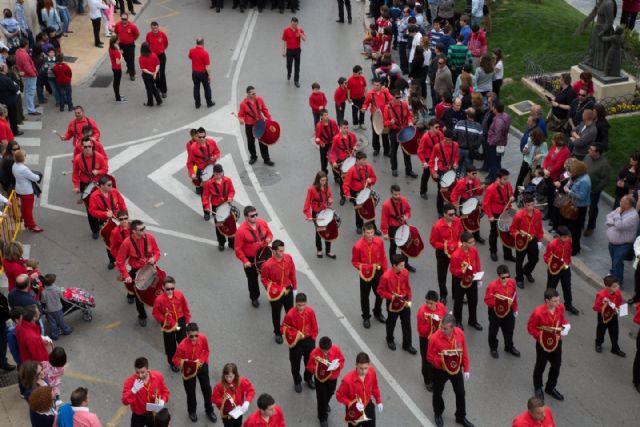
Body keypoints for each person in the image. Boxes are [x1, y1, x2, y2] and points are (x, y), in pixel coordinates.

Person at [427, 314, 473, 427]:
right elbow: (429, 356)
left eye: (445, 328)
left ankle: (461, 416)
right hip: (440, 370)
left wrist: (466, 368)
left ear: (453, 328)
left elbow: (464, 351)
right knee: (437, 393)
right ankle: (438, 413)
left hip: (456, 368)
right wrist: (441, 361)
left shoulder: (460, 334)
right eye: (441, 327)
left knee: (461, 393)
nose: (441, 329)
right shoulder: (434, 338)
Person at [116, 220, 161, 326]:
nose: (145, 231)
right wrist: (126, 275)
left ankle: (159, 313)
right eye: (141, 229)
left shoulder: (150, 237)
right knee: (139, 297)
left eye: (144, 228)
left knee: (157, 291)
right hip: (137, 272)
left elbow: (157, 251)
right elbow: (120, 261)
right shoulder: (126, 243)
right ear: (134, 232)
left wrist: (154, 258)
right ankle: (142, 315)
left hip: (150, 268)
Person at [527, 289, 570, 402]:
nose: (558, 303)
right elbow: (530, 328)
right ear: (547, 301)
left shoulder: (560, 308)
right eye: (555, 301)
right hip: (542, 344)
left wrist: (565, 326)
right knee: (540, 365)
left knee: (557, 365)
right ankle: (538, 387)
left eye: (558, 300)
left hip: (556, 341)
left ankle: (550, 387)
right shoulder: (538, 313)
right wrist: (541, 337)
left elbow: (561, 320)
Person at [171, 323, 216, 422]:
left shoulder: (203, 338)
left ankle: (209, 410)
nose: (194, 338)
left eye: (196, 335)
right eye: (191, 336)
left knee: (207, 390)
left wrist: (200, 361)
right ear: (187, 334)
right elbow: (175, 359)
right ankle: (192, 411)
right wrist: (187, 363)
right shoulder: (182, 346)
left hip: (201, 366)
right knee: (190, 392)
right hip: (188, 369)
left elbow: (206, 351)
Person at [377, 254, 417, 353]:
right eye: (401, 265)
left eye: (404, 265)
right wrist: (391, 297)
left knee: (407, 323)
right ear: (394, 266)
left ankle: (407, 344)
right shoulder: (386, 276)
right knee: (391, 322)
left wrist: (409, 299)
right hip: (393, 302)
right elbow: (380, 290)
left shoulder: (405, 272)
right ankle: (390, 339)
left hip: (404, 300)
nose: (404, 267)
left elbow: (407, 287)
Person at [234, 205, 273, 307]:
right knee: (252, 279)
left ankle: (272, 295)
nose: (255, 217)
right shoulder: (241, 231)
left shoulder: (262, 223)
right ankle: (254, 297)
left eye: (256, 214)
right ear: (246, 217)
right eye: (252, 216)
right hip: (250, 259)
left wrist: (269, 238)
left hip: (263, 254)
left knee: (269, 277)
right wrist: (245, 261)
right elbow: (238, 249)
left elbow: (269, 234)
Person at [351, 222, 387, 328]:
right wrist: (366, 267)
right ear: (363, 232)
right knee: (364, 297)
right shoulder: (357, 246)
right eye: (368, 233)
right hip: (365, 274)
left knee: (380, 293)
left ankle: (377, 311)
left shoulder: (379, 242)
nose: (370, 235)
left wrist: (384, 272)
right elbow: (354, 262)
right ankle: (366, 317)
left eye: (372, 232)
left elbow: (383, 257)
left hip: (378, 271)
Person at [260, 240, 296, 344]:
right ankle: (277, 332)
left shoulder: (288, 258)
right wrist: (271, 289)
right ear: (274, 251)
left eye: (283, 250)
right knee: (276, 313)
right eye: (280, 251)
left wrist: (295, 288)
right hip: (276, 293)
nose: (282, 253)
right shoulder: (267, 265)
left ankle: (288, 328)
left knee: (290, 312)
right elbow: (264, 279)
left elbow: (292, 273)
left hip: (288, 289)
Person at [281, 292, 318, 392]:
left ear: (306, 303)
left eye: (303, 305)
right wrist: (295, 334)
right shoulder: (290, 315)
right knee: (295, 362)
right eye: (299, 305)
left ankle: (308, 378)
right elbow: (283, 328)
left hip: (309, 340)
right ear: (295, 303)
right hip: (296, 342)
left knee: (310, 361)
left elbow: (314, 326)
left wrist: (313, 337)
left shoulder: (310, 312)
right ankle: (297, 381)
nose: (301, 307)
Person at [152, 276, 190, 371]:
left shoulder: (180, 295)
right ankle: (172, 362)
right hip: (168, 324)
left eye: (172, 288)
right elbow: (156, 313)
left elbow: (185, 309)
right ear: (163, 288)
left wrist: (186, 321)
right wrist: (166, 320)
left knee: (183, 341)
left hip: (180, 320)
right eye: (168, 289)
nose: (170, 291)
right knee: (170, 345)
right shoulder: (159, 300)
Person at [429, 203, 464, 304]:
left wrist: (460, 243)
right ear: (444, 214)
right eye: (450, 214)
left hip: (456, 253)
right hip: (442, 253)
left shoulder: (457, 221)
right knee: (442, 275)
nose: (453, 216)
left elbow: (461, 234)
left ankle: (456, 293)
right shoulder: (437, 226)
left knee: (456, 274)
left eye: (454, 213)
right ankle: (443, 295)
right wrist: (447, 245)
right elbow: (433, 242)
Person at [336, 352, 383, 427]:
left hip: (368, 406)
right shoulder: (347, 380)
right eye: (361, 368)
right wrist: (350, 403)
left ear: (369, 365)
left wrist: (378, 400)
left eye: (366, 368)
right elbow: (339, 396)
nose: (364, 371)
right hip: (354, 410)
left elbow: (374, 387)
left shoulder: (372, 372)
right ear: (356, 365)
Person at [306, 336, 344, 427]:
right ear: (319, 347)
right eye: (323, 351)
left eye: (327, 351)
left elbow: (342, 361)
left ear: (331, 347)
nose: (325, 353)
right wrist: (318, 368)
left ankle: (325, 404)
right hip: (320, 379)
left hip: (332, 377)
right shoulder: (314, 353)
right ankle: (322, 417)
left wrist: (337, 366)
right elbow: (309, 366)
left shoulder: (336, 349)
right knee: (321, 398)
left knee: (331, 392)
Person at [121, 357, 170, 427]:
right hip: (138, 416)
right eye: (137, 372)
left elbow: (165, 392)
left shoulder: (158, 376)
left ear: (148, 369)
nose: (140, 375)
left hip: (153, 414)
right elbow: (125, 401)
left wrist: (163, 400)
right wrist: (133, 390)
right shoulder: (130, 382)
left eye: (142, 372)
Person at [484, 264, 520, 359]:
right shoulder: (492, 286)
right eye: (503, 277)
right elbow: (487, 300)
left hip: (508, 310)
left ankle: (509, 346)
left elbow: (514, 296)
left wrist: (515, 309)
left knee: (509, 329)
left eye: (508, 276)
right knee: (493, 330)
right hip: (495, 312)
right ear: (499, 276)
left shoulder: (512, 283)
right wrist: (500, 302)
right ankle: (493, 348)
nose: (506, 279)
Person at [449, 231, 483, 331]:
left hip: (472, 279)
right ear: (464, 243)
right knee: (458, 302)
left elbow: (477, 263)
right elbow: (453, 270)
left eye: (473, 241)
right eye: (471, 242)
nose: (473, 243)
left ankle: (472, 320)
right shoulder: (456, 255)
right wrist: (462, 271)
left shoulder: (474, 250)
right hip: (460, 280)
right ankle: (458, 321)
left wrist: (479, 277)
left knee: (473, 300)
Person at [541, 226, 578, 315]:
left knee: (567, 287)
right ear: (559, 236)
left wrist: (568, 262)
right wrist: (554, 262)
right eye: (564, 237)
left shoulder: (569, 241)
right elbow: (546, 257)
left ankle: (568, 305)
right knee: (551, 288)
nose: (566, 238)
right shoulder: (552, 244)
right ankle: (548, 305)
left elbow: (569, 252)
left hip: (565, 268)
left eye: (567, 237)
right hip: (554, 269)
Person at [606, 194, 640, 289]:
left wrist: (616, 216)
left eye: (623, 202)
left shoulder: (633, 216)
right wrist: (615, 221)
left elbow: (620, 226)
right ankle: (613, 277)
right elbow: (608, 217)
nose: (620, 202)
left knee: (617, 262)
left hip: (623, 245)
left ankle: (618, 283)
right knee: (615, 261)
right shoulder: (620, 209)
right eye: (621, 201)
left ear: (629, 205)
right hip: (612, 243)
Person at [510, 194, 544, 289]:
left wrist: (539, 240)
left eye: (532, 204)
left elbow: (539, 227)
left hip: (533, 239)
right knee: (519, 260)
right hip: (522, 240)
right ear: (524, 205)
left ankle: (527, 271)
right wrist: (519, 235)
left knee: (535, 259)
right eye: (528, 205)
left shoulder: (537, 213)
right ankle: (519, 278)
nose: (531, 207)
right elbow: (512, 229)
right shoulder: (518, 216)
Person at [483, 169, 516, 262]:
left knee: (507, 232)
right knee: (494, 233)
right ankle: (493, 251)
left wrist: (512, 197)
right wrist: (490, 216)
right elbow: (486, 204)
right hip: (496, 214)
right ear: (498, 179)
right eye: (505, 179)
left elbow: (511, 194)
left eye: (507, 179)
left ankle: (508, 254)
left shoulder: (507, 184)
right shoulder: (491, 188)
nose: (507, 181)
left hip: (507, 212)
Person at [417, 291, 447, 391]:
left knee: (437, 358)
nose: (429, 305)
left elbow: (446, 319)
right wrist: (431, 324)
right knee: (426, 360)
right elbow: (420, 330)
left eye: (431, 303)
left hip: (438, 338)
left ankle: (435, 377)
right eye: (427, 302)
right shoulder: (422, 311)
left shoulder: (441, 307)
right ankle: (427, 380)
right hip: (426, 339)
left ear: (436, 302)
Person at [342, 151, 379, 233]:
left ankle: (373, 228)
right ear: (357, 160)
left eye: (365, 159)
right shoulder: (351, 170)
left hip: (367, 191)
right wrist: (347, 194)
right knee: (359, 211)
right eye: (363, 160)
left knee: (371, 210)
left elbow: (374, 177)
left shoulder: (369, 167)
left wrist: (371, 180)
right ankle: (359, 226)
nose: (365, 161)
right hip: (356, 193)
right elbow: (346, 184)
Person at [380, 185, 415, 271]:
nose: (398, 196)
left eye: (399, 194)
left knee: (406, 246)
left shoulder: (404, 200)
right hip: (393, 228)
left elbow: (408, 210)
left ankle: (405, 264)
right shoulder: (386, 205)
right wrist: (385, 232)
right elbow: (384, 219)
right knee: (393, 247)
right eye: (395, 195)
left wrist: (406, 216)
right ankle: (394, 266)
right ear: (391, 193)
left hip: (403, 225)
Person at [383, 88, 416, 177]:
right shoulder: (387, 108)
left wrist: (410, 122)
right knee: (393, 151)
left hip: (404, 130)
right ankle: (394, 169)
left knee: (406, 151)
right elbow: (385, 123)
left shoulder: (404, 104)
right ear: (392, 97)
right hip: (394, 131)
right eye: (397, 97)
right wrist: (390, 122)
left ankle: (408, 170)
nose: (399, 99)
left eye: (400, 97)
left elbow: (409, 115)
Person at [88, 174, 127, 248]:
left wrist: (125, 213)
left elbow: (122, 203)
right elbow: (92, 211)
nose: (111, 186)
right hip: (103, 216)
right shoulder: (94, 196)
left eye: (111, 184)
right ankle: (95, 231)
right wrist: (104, 214)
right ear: (102, 186)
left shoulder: (114, 191)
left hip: (115, 214)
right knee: (95, 221)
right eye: (109, 185)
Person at [237, 85, 273, 165]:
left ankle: (266, 158)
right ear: (248, 94)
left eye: (255, 93)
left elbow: (265, 110)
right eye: (253, 94)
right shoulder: (243, 104)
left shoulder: (259, 99)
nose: (255, 95)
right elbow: (240, 115)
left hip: (260, 123)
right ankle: (253, 156)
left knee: (263, 142)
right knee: (250, 142)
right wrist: (241, 120)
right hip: (249, 125)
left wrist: (270, 120)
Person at [203, 164, 236, 248]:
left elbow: (232, 191)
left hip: (227, 205)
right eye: (216, 174)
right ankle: (221, 243)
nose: (218, 176)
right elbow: (205, 196)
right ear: (213, 173)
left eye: (220, 173)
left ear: (222, 172)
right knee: (219, 226)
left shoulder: (228, 180)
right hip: (216, 207)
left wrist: (230, 197)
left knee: (231, 224)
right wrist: (206, 206)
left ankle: (232, 243)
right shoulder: (208, 183)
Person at [211, 362, 255, 427]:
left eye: (231, 377)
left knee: (238, 424)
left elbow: (250, 390)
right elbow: (214, 398)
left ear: (235, 375)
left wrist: (247, 401)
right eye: (226, 376)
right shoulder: (219, 386)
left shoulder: (241, 381)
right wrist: (225, 401)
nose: (229, 379)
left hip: (238, 411)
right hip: (227, 413)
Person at [303, 171, 336, 258]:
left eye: (325, 180)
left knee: (328, 230)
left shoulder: (326, 187)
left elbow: (329, 196)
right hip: (317, 213)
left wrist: (330, 200)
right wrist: (309, 216)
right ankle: (319, 249)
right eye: (322, 181)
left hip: (325, 211)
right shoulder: (311, 189)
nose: (323, 182)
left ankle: (328, 251)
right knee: (319, 231)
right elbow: (307, 204)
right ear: (318, 180)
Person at [591, 275, 626, 357]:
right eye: (614, 286)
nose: (617, 287)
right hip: (603, 315)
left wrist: (617, 309)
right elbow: (595, 308)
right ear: (607, 287)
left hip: (613, 315)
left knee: (615, 331)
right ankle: (598, 343)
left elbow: (619, 301)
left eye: (617, 285)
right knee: (601, 330)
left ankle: (615, 348)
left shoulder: (617, 292)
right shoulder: (601, 295)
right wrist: (604, 304)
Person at [428, 129, 459, 216]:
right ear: (443, 138)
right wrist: (433, 172)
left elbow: (456, 157)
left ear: (452, 139)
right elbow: (431, 161)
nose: (447, 141)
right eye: (446, 139)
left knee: (453, 192)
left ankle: (452, 210)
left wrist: (456, 163)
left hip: (451, 171)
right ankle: (440, 211)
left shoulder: (455, 145)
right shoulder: (437, 147)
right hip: (441, 171)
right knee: (441, 192)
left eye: (449, 140)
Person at [12, 149, 42, 232]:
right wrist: (38, 176)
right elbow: (35, 177)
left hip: (19, 189)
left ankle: (26, 222)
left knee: (24, 207)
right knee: (28, 208)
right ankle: (32, 225)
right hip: (27, 191)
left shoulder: (14, 165)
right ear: (23, 158)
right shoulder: (23, 169)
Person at [584, 144, 610, 236]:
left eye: (591, 149)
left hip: (593, 190)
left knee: (592, 209)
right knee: (582, 206)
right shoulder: (587, 157)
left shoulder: (604, 164)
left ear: (597, 152)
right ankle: (581, 222)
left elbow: (605, 180)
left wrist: (595, 190)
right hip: (584, 187)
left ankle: (591, 226)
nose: (588, 150)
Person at [186, 126, 220, 197]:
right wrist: (192, 173)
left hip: (211, 166)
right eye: (199, 137)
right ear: (196, 136)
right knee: (199, 183)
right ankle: (199, 187)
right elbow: (189, 163)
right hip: (200, 168)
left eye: (203, 137)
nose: (202, 139)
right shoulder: (192, 147)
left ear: (205, 135)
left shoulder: (212, 142)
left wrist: (215, 157)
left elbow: (217, 152)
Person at [329, 120, 357, 204]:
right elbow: (332, 152)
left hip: (351, 159)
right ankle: (343, 196)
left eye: (347, 128)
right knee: (343, 181)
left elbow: (355, 143)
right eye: (344, 128)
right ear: (340, 128)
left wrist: (355, 147)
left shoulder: (352, 135)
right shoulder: (336, 138)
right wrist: (333, 161)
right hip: (342, 161)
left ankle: (352, 195)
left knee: (353, 179)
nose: (346, 129)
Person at [361, 78, 391, 157]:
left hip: (384, 116)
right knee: (375, 133)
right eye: (374, 85)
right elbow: (365, 103)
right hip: (375, 116)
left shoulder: (385, 91)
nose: (375, 86)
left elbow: (390, 100)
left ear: (380, 85)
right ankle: (376, 149)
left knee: (385, 134)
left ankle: (387, 151)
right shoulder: (370, 93)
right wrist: (364, 108)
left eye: (377, 85)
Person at [514, 128, 547, 198]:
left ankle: (527, 197)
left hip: (536, 164)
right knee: (520, 178)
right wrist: (525, 149)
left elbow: (546, 153)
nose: (531, 138)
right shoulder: (530, 140)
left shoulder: (543, 144)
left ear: (536, 138)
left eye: (532, 137)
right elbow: (526, 147)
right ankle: (515, 195)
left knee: (533, 181)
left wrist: (540, 155)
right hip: (526, 161)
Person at [41, 274, 72, 339]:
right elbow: (62, 297)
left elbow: (43, 301)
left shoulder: (44, 292)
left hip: (49, 309)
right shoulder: (57, 289)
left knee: (53, 322)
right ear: (52, 282)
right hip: (58, 308)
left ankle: (54, 334)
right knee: (61, 320)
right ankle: (66, 330)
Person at [486, 101, 511, 183]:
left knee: (494, 164)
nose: (492, 108)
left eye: (493, 107)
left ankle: (494, 180)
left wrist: (490, 142)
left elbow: (497, 135)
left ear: (496, 109)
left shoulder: (499, 121)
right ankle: (495, 177)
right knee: (497, 162)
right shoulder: (506, 116)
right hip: (501, 145)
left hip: (495, 146)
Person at [314, 110, 339, 178]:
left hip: (332, 144)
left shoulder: (333, 122)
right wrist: (321, 143)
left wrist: (336, 142)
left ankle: (336, 176)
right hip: (324, 145)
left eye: (327, 115)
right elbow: (317, 138)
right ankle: (324, 175)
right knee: (324, 162)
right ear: (321, 117)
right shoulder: (319, 125)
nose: (326, 116)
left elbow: (337, 133)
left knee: (334, 160)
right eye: (324, 115)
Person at [145, 21, 168, 98]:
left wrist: (161, 50)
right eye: (153, 28)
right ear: (151, 28)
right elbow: (147, 45)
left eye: (156, 28)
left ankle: (164, 91)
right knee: (155, 73)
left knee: (162, 73)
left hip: (161, 56)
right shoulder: (148, 35)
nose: (155, 29)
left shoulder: (162, 35)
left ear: (158, 27)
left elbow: (166, 44)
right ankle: (158, 87)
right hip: (153, 57)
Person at [281, 17, 305, 87]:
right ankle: (289, 73)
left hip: (297, 50)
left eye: (295, 24)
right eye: (293, 24)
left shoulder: (300, 30)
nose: (294, 26)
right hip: (289, 50)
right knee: (289, 65)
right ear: (291, 23)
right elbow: (284, 41)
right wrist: (283, 51)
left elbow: (305, 39)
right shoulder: (286, 30)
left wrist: (300, 34)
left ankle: (296, 80)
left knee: (297, 66)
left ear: (297, 24)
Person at [114, 13, 139, 81]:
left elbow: (137, 34)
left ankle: (132, 74)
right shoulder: (118, 25)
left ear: (127, 19)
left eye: (125, 19)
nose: (124, 20)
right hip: (121, 45)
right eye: (122, 19)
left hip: (130, 45)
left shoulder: (132, 26)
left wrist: (132, 40)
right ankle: (129, 67)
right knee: (125, 57)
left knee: (131, 59)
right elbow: (116, 32)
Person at [138, 42, 162, 107]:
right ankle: (159, 100)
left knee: (149, 89)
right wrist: (155, 73)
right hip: (154, 75)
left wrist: (151, 73)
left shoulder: (141, 58)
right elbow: (158, 64)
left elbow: (143, 69)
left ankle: (150, 102)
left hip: (147, 76)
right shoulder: (154, 55)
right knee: (153, 87)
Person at [108, 36, 126, 103]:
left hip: (114, 67)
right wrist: (121, 55)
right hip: (117, 69)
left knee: (116, 83)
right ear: (115, 41)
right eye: (118, 40)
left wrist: (118, 51)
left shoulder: (110, 48)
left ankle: (118, 95)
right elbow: (118, 62)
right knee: (117, 83)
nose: (119, 41)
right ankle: (118, 98)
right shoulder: (115, 51)